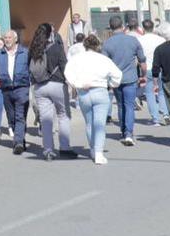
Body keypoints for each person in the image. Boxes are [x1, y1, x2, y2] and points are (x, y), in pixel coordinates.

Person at [63, 33, 123, 165]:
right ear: (97, 46)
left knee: (89, 123)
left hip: (84, 92)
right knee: (99, 124)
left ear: (85, 45)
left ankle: (92, 148)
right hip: (100, 91)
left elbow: (67, 72)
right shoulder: (103, 59)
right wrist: (111, 84)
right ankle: (99, 153)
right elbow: (118, 75)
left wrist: (77, 84)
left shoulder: (77, 59)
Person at [27, 22, 72, 160]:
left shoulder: (32, 49)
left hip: (39, 87)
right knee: (63, 116)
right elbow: (64, 66)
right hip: (57, 84)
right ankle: (64, 148)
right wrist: (70, 82)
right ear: (50, 34)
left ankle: (48, 150)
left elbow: (28, 68)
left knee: (45, 120)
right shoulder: (56, 48)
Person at [100, 16, 146, 147]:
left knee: (120, 105)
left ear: (110, 26)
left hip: (115, 80)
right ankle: (129, 133)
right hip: (130, 78)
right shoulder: (133, 40)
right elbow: (142, 60)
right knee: (129, 105)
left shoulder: (107, 43)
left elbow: (104, 63)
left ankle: (123, 131)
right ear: (123, 26)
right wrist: (143, 75)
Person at [0, 29, 32, 155]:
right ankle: (21, 138)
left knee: (20, 115)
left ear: (15, 39)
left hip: (22, 87)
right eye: (5, 38)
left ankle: (17, 142)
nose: (7, 40)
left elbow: (31, 68)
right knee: (11, 116)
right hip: (6, 88)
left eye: (9, 37)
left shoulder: (25, 52)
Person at [137, 18, 168, 129]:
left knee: (150, 94)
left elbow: (138, 57)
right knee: (162, 92)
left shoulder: (139, 40)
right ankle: (165, 113)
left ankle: (155, 118)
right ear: (153, 27)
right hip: (160, 68)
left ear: (143, 28)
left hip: (147, 69)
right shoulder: (161, 39)